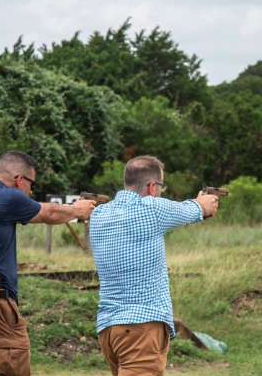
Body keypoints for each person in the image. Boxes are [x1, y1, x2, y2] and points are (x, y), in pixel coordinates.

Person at [0, 150, 96, 376]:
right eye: (32, 186)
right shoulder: (8, 197)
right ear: (19, 180)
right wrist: (78, 210)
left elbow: (38, 213)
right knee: (13, 368)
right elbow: (48, 214)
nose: (30, 191)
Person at [90, 155, 219, 376]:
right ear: (152, 186)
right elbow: (198, 208)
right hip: (141, 327)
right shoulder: (151, 208)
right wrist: (206, 203)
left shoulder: (100, 214)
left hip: (109, 329)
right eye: (161, 187)